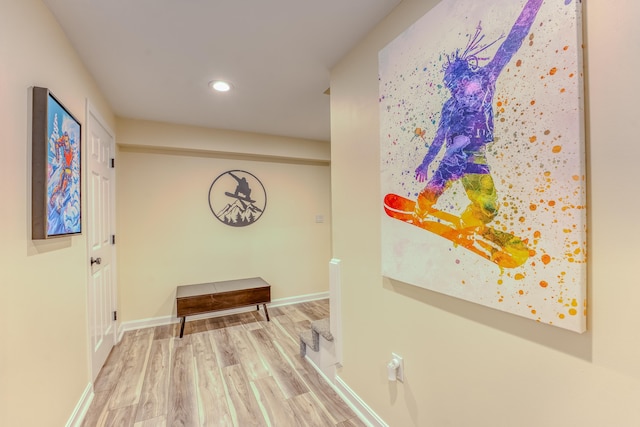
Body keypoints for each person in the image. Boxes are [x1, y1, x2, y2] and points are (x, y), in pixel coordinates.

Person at [414, 0, 544, 232]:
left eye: (455, 83)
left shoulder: (484, 79)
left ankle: (466, 222)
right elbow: (439, 137)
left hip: (475, 157)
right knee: (440, 184)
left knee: (489, 208)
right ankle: (423, 206)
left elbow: (513, 40)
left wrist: (535, 3)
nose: (454, 89)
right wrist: (425, 163)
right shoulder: (451, 104)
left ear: (463, 76)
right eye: (450, 86)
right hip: (455, 155)